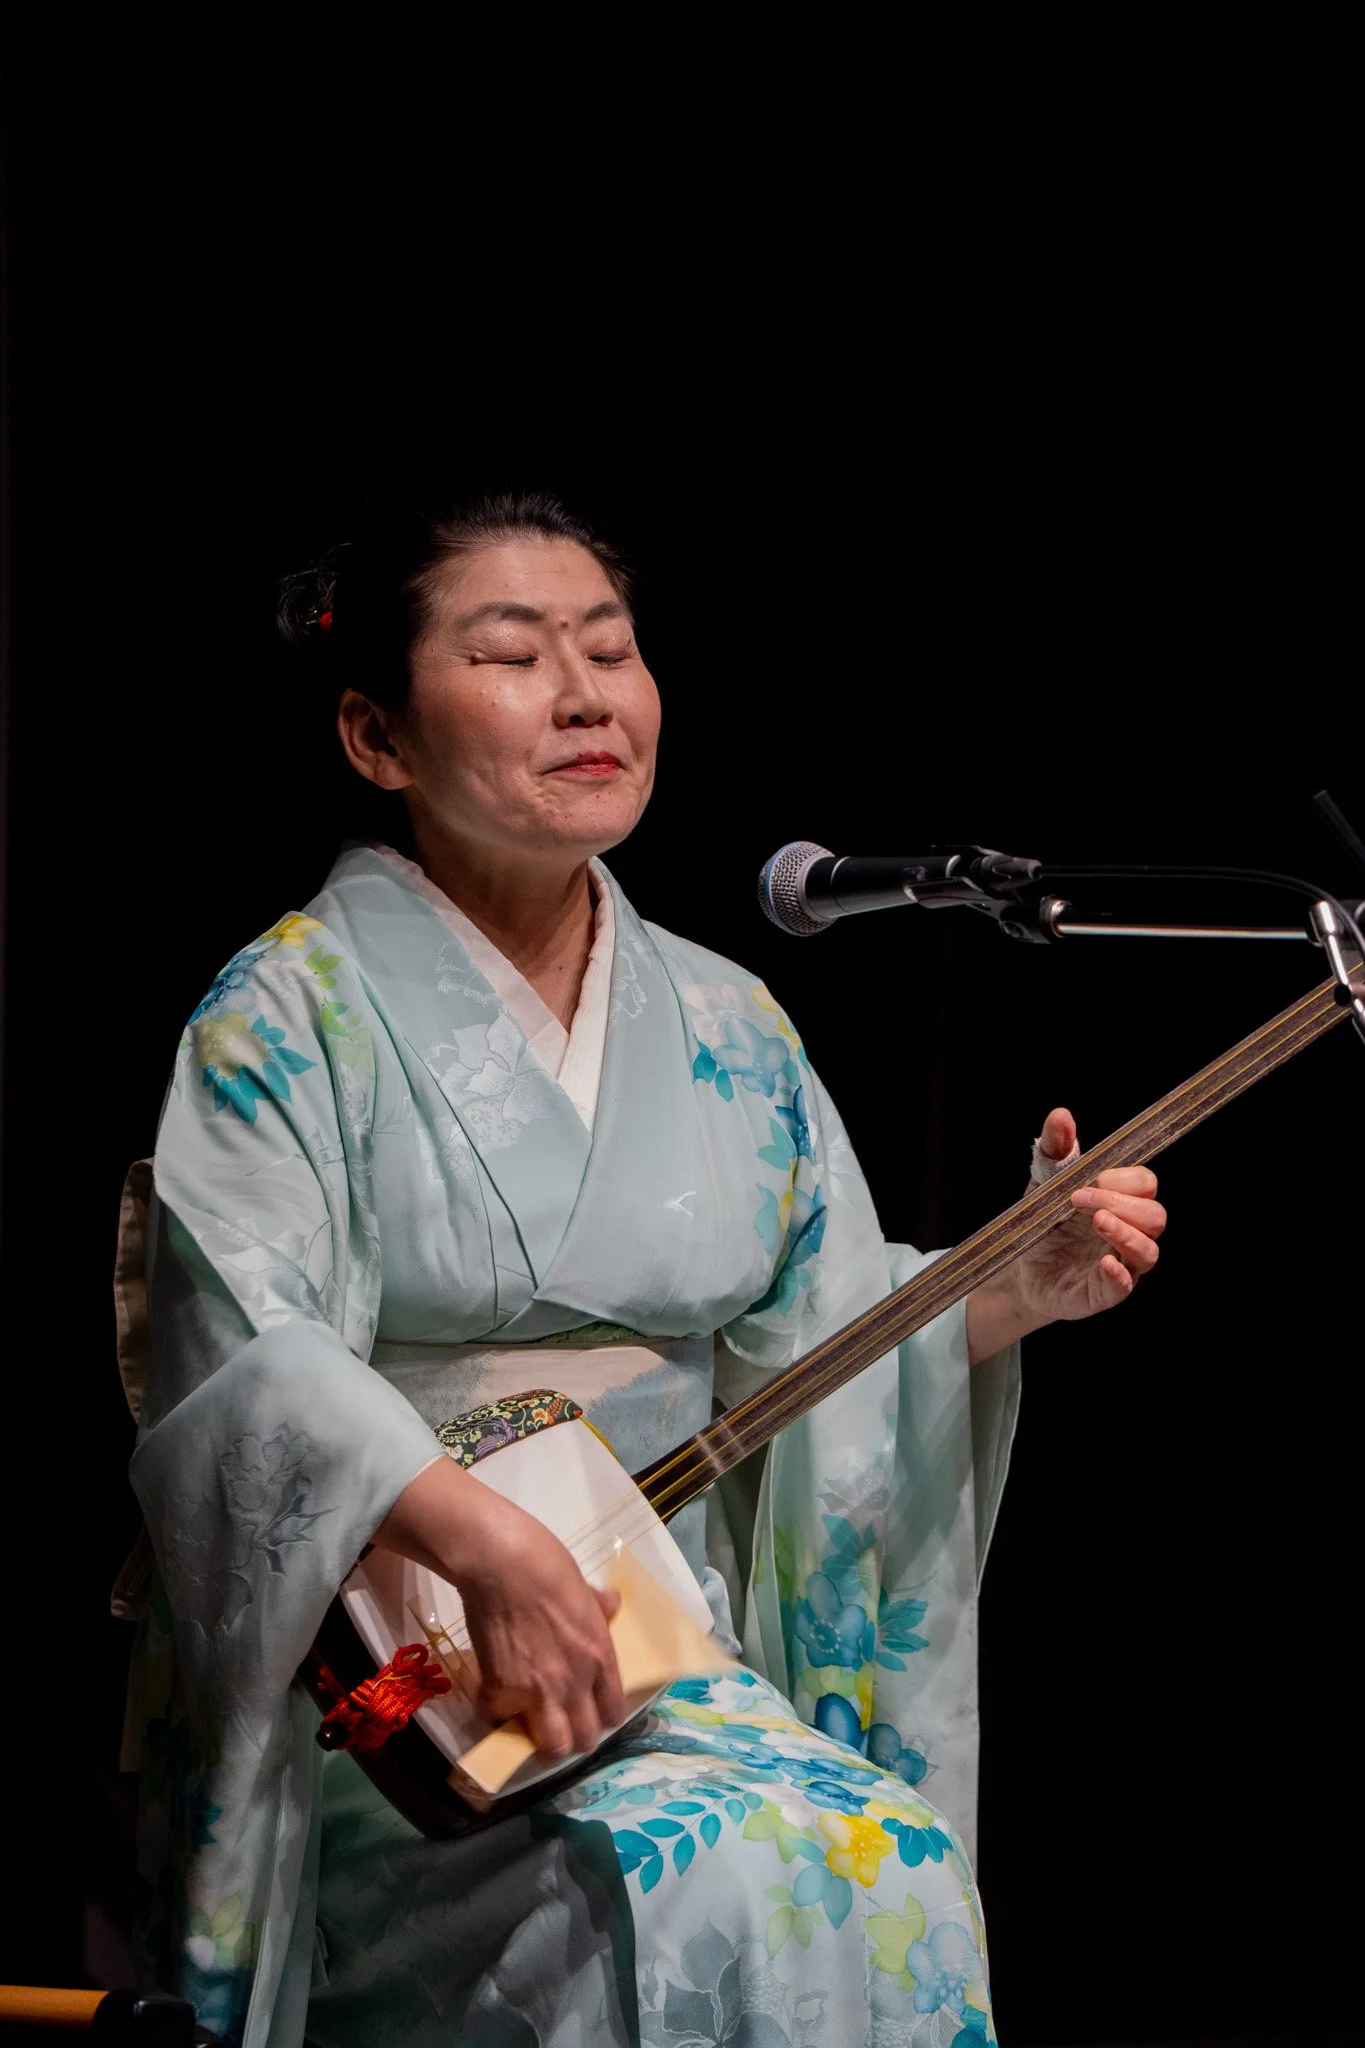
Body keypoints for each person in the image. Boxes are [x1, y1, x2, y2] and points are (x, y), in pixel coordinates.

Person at [122, 491, 1165, 2048]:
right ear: (375, 735)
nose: (584, 696)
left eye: (610, 652)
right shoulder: (286, 1017)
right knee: (714, 1880)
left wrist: (1003, 1292)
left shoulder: (734, 1025)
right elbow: (245, 1364)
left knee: (896, 1869)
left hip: (659, 1655)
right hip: (408, 1697)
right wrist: (472, 1532)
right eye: (513, 656)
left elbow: (816, 1360)